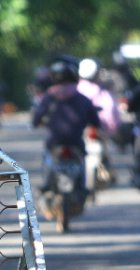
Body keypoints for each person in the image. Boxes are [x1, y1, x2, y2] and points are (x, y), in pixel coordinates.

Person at [31, 55, 101, 191]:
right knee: (83, 158)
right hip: (76, 141)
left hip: (54, 141)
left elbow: (37, 116)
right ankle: (83, 186)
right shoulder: (82, 98)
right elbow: (95, 121)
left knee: (46, 156)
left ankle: (46, 184)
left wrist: (35, 123)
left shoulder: (49, 96)